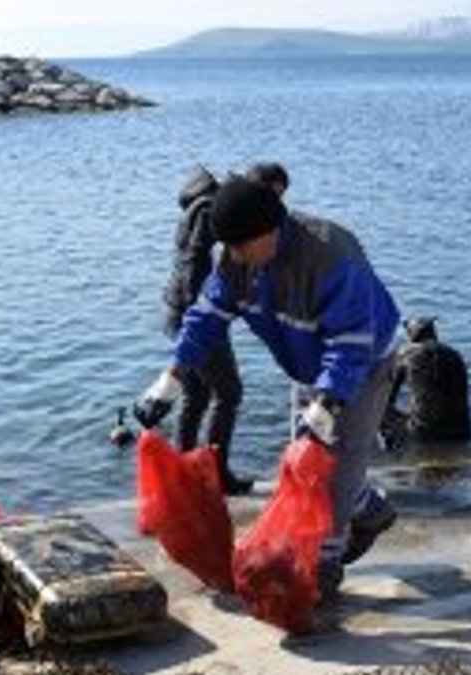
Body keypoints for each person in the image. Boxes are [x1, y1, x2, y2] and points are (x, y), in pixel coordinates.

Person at [134, 175, 401, 599]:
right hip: (308, 365)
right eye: (229, 248)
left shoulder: (332, 257)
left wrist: (327, 405)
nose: (235, 256)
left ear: (272, 229)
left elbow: (350, 344)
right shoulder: (237, 261)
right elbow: (206, 318)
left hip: (364, 364)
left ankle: (323, 569)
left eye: (242, 246)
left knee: (335, 463)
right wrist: (170, 379)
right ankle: (370, 508)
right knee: (304, 460)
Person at [160, 166, 252, 496]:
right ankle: (217, 474)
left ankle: (182, 472)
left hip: (176, 309)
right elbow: (198, 262)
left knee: (196, 395)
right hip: (194, 312)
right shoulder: (209, 211)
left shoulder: (192, 210)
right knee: (229, 393)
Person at [384, 316, 471, 445]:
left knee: (379, 407)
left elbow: (388, 397)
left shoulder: (405, 354)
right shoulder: (455, 355)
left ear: (411, 335)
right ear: (434, 333)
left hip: (425, 433)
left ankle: (392, 452)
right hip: (462, 431)